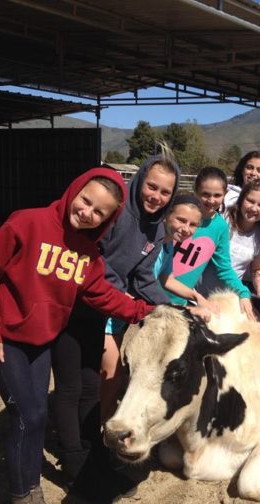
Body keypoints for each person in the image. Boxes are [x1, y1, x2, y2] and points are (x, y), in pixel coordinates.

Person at [0, 168, 154, 504]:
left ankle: (32, 497)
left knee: (35, 420)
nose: (87, 213)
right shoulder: (27, 222)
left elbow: (101, 293)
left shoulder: (87, 253)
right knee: (28, 415)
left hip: (41, 342)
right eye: (86, 201)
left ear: (108, 220)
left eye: (99, 212)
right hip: (7, 339)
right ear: (74, 191)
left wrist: (143, 312)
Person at [50, 192, 211, 494]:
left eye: (193, 224)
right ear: (167, 215)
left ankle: (91, 440)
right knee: (112, 376)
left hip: (124, 314)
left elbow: (162, 280)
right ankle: (99, 443)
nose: (187, 228)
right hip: (110, 309)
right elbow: (131, 278)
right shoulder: (141, 238)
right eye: (181, 220)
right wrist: (166, 308)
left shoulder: (167, 245)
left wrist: (193, 298)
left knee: (104, 378)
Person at [98, 150, 179, 423]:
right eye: (151, 186)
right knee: (111, 371)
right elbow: (94, 255)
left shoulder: (157, 229)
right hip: (97, 300)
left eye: (165, 192)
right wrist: (114, 288)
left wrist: (170, 308)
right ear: (140, 180)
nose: (156, 196)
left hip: (118, 307)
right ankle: (99, 425)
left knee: (105, 372)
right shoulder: (117, 212)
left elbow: (144, 275)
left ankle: (99, 424)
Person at [165, 166, 256, 320]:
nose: (211, 200)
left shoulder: (220, 227)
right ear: (196, 191)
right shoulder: (179, 214)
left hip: (180, 302)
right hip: (151, 292)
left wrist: (243, 292)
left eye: (217, 195)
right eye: (205, 194)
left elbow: (224, 268)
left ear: (225, 195)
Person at [199, 178, 260, 303]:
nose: (254, 208)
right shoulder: (222, 219)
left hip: (227, 299)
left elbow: (257, 268)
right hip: (197, 291)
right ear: (242, 198)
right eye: (250, 201)